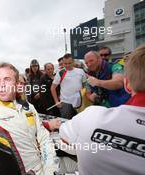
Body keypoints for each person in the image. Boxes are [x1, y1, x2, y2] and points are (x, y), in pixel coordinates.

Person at [55, 44, 145, 175]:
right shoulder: (88, 74)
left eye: (91, 61)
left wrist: (98, 82)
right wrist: (94, 98)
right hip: (106, 113)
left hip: (122, 110)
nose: (88, 64)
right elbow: (88, 92)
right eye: (86, 62)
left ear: (128, 84)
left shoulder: (114, 67)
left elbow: (118, 81)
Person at [51, 54, 86, 119]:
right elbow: (53, 88)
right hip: (65, 103)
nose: (67, 65)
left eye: (69, 63)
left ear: (73, 62)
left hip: (80, 102)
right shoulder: (60, 72)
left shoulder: (81, 71)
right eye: (65, 63)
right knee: (66, 122)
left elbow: (84, 85)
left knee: (80, 122)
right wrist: (56, 101)